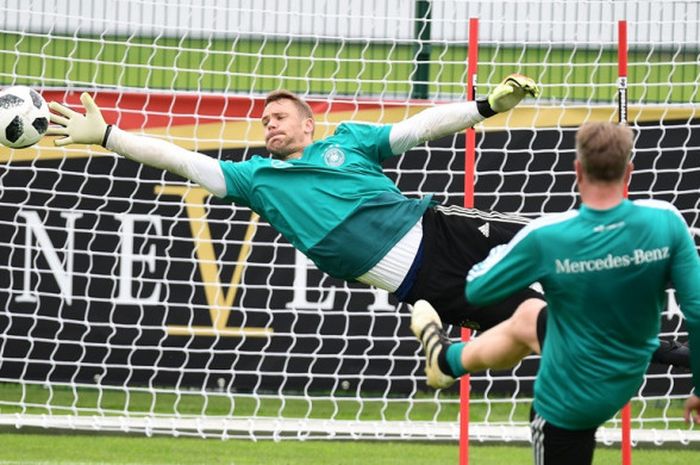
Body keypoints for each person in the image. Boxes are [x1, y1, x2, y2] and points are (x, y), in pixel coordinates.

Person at [46, 78, 687, 370]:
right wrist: (110, 136)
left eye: (280, 116)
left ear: (309, 125)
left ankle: (651, 268)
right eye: (263, 119)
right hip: (424, 282)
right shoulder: (254, 181)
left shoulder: (348, 143)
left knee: (568, 249)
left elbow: (415, 129)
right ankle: (671, 354)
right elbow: (182, 158)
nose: (268, 124)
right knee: (543, 328)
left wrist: (484, 107)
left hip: (444, 229)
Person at [411, 122, 700, 465]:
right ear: (629, 171)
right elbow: (696, 311)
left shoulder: (548, 235)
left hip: (568, 402)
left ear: (578, 170)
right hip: (623, 377)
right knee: (529, 315)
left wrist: (501, 246)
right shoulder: (666, 220)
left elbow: (477, 287)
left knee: (536, 318)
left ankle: (446, 361)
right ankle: (446, 361)